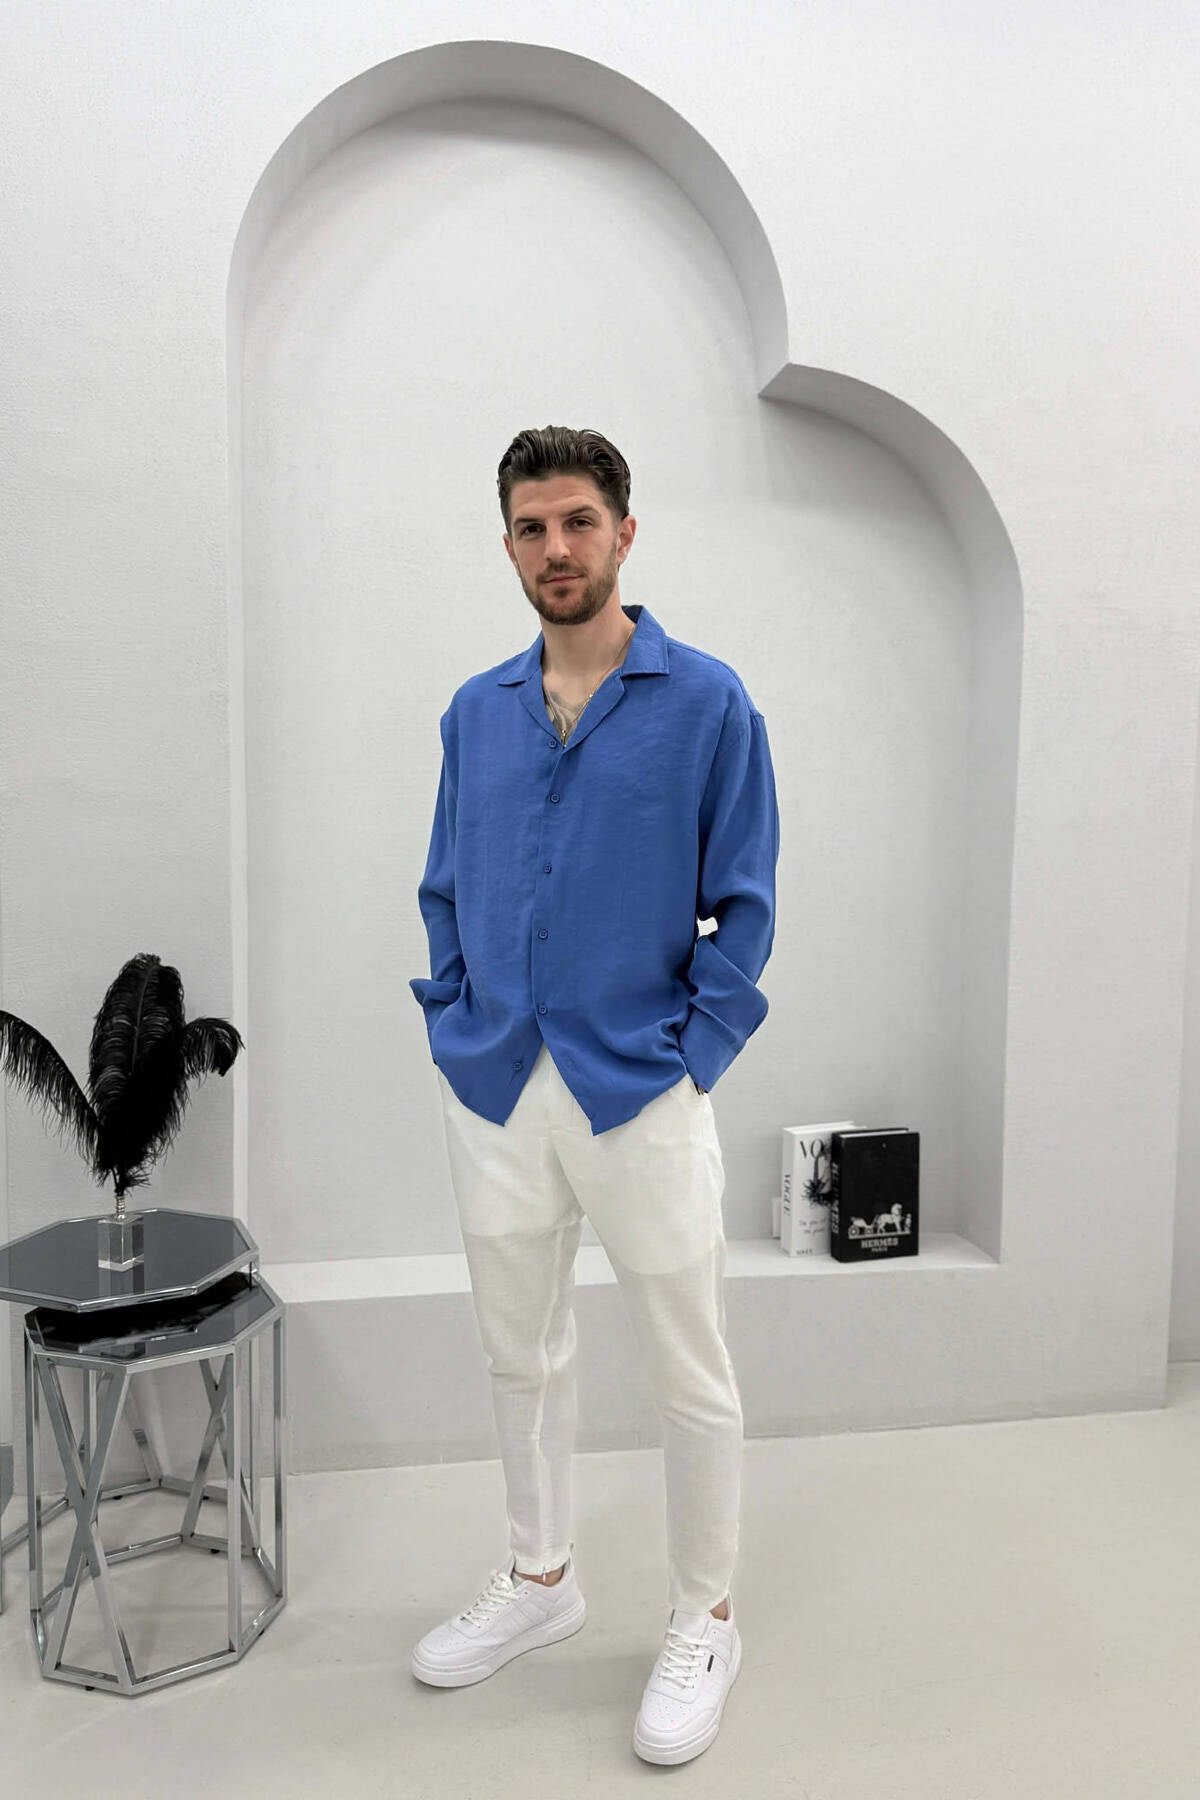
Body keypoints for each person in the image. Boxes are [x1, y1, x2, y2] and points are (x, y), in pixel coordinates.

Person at [409, 425, 780, 1765]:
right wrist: (455, 1017)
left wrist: (692, 1052)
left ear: (624, 532)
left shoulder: (709, 702)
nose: (555, 549)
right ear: (508, 544)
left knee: (690, 1366)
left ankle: (705, 1615)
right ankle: (541, 1577)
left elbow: (745, 902)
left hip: (640, 1088)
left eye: (577, 522)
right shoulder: (475, 712)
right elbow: (445, 883)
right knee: (520, 1350)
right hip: (497, 1085)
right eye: (531, 527)